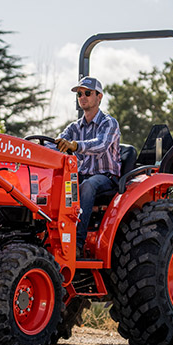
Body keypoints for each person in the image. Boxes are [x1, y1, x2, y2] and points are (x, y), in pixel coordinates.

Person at [56, 76, 121, 256]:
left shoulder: (109, 123)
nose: (82, 97)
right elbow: (57, 144)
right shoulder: (74, 127)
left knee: (86, 186)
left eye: (87, 93)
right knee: (58, 184)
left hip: (106, 178)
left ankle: (76, 242)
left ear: (99, 97)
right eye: (79, 94)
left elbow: (100, 145)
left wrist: (75, 145)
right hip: (82, 176)